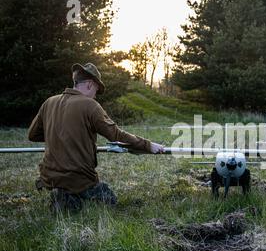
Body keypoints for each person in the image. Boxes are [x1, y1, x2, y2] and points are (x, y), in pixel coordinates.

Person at [28, 63, 165, 211]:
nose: (95, 95)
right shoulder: (90, 105)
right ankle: (69, 198)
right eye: (96, 90)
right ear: (89, 84)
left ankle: (63, 197)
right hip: (79, 178)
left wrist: (61, 135)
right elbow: (116, 135)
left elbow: (32, 135)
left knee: (71, 204)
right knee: (110, 201)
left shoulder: (49, 102)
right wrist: (148, 145)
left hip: (50, 177)